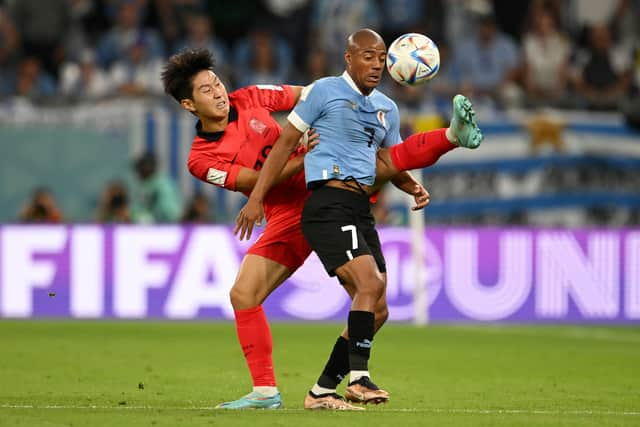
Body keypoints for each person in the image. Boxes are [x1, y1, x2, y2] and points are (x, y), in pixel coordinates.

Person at [162, 47, 481, 410]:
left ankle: (324, 389)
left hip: (326, 186)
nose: (218, 92)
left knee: (376, 308)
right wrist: (300, 156)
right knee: (243, 296)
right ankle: (267, 392)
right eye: (206, 90)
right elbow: (253, 180)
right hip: (288, 213)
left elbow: (308, 93)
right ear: (189, 105)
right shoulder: (200, 159)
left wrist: (329, 110)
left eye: (217, 82)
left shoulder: (250, 96)